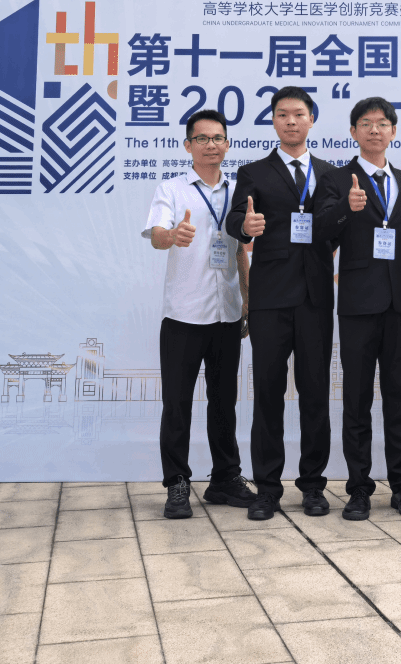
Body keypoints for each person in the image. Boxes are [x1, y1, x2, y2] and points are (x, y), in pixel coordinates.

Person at [225, 87, 338, 521]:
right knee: (268, 395)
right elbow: (235, 218)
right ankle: (268, 489)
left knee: (315, 395)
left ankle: (313, 486)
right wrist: (246, 225)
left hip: (314, 298)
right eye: (282, 115)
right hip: (270, 298)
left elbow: (336, 228)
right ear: (273, 121)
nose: (291, 121)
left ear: (311, 119)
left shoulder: (330, 174)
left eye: (299, 114)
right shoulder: (253, 171)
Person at [314, 97, 401, 520]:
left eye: (382, 123)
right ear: (353, 132)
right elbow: (319, 232)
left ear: (393, 131)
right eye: (366, 123)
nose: (375, 130)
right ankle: (359, 488)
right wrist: (347, 208)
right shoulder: (335, 179)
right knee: (357, 401)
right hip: (358, 305)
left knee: (399, 399)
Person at [143, 109, 255, 519]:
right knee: (177, 404)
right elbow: (157, 236)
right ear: (188, 145)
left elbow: (239, 251)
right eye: (202, 138)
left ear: (227, 144)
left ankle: (225, 478)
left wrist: (247, 299)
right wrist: (172, 235)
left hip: (227, 315)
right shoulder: (172, 189)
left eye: (218, 138)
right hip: (184, 316)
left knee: (224, 402)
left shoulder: (239, 191)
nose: (211, 145)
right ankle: (177, 482)